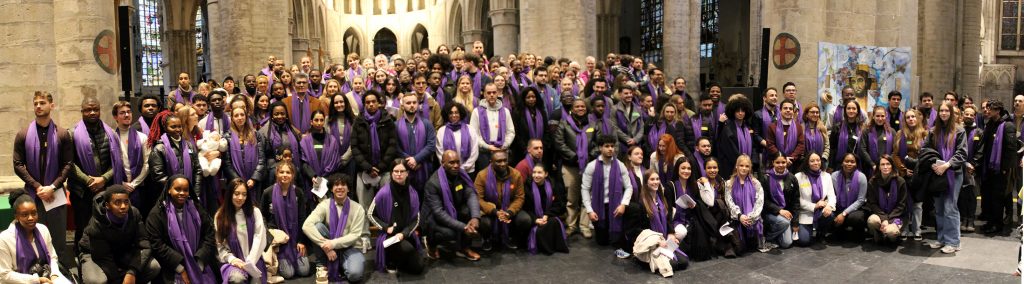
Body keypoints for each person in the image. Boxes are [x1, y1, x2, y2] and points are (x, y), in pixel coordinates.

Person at [68, 97, 125, 248]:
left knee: (106, 226)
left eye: (95, 109)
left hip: (105, 188)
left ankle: (104, 258)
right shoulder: (72, 134)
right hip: (81, 191)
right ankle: (82, 258)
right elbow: (69, 164)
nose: (92, 112)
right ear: (82, 112)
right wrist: (88, 180)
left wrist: (104, 179)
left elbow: (117, 162)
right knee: (83, 228)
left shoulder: (111, 133)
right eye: (88, 110)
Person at [79, 186, 161, 284]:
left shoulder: (134, 213)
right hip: (94, 254)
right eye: (117, 203)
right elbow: (103, 257)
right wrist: (117, 280)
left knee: (154, 267)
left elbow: (144, 245)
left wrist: (132, 272)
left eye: (126, 202)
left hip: (121, 251)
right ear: (107, 205)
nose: (123, 206)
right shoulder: (97, 223)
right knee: (96, 281)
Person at [146, 175, 217, 283]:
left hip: (199, 261)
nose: (182, 193)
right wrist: (181, 268)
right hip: (171, 266)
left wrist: (198, 264)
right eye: (177, 189)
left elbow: (209, 235)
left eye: (185, 190)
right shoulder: (157, 213)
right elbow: (156, 244)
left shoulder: (197, 208)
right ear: (169, 190)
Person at [301, 174, 367, 282]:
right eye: (336, 185)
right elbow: (306, 226)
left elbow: (355, 235)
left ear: (349, 188)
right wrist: (326, 246)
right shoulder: (324, 205)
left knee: (355, 275)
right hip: (328, 244)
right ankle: (322, 264)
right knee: (318, 227)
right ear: (331, 189)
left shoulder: (358, 209)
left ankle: (340, 263)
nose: (340, 187)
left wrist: (334, 244)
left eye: (343, 185)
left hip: (349, 247)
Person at [923, 101, 968, 253]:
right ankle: (942, 239)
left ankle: (953, 242)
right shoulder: (932, 131)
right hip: (937, 174)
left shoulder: (960, 131)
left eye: (946, 111)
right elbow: (926, 150)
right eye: (941, 110)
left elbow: (962, 153)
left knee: (950, 207)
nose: (943, 113)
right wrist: (933, 165)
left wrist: (947, 165)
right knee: (939, 208)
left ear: (951, 113)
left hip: (953, 174)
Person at [0, 190, 72, 284]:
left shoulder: (43, 229)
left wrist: (54, 274)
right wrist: (36, 280)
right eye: (25, 215)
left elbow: (52, 257)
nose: (31, 218)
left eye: (34, 213)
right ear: (16, 216)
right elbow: (5, 274)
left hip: (47, 275)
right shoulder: (4, 238)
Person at [368, 159, 426, 274]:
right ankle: (391, 260)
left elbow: (416, 218)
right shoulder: (383, 193)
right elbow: (370, 214)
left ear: (407, 173)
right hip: (390, 236)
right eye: (396, 171)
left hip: (405, 233)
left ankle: (400, 260)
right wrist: (385, 227)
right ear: (391, 173)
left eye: (402, 171)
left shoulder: (413, 193)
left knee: (418, 268)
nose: (399, 174)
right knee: (407, 249)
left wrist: (404, 233)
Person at [423, 150, 483, 260]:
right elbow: (438, 213)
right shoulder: (433, 183)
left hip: (454, 209)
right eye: (451, 163)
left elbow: (471, 194)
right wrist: (463, 227)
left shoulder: (462, 175)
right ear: (442, 163)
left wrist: (475, 217)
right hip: (433, 217)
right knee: (450, 233)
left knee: (469, 212)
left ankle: (463, 248)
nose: (456, 166)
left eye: (457, 162)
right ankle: (431, 244)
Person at [582, 135, 634, 258]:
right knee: (602, 242)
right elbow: (585, 189)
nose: (610, 149)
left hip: (615, 207)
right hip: (598, 207)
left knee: (616, 240)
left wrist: (623, 204)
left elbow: (629, 187)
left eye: (612, 146)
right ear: (600, 148)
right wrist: (589, 210)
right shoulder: (592, 166)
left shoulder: (620, 165)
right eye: (607, 146)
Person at [972, 100, 1020, 234]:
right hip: (989, 167)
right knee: (988, 196)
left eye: (990, 109)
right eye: (986, 109)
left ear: (997, 111)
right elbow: (984, 145)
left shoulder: (1008, 125)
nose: (987, 111)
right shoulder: (990, 124)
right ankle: (990, 221)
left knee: (998, 198)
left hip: (1000, 169)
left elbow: (1011, 149)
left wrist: (1005, 169)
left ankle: (997, 224)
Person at [630, 169, 689, 273]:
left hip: (664, 241)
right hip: (652, 243)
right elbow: (638, 230)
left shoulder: (661, 199)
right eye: (652, 179)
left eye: (657, 179)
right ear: (646, 182)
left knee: (683, 262)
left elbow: (668, 219)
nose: (655, 182)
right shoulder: (641, 204)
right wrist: (657, 241)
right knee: (674, 265)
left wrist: (671, 234)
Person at [554, 98, 595, 238]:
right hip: (570, 165)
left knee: (586, 198)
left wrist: (588, 156)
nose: (580, 109)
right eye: (577, 106)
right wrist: (575, 156)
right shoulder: (564, 124)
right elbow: (559, 143)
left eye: (583, 106)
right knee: (571, 198)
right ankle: (571, 225)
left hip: (589, 166)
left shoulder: (592, 124)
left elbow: (598, 142)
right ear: (572, 109)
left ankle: (584, 226)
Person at [214, 180, 267, 284]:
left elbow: (259, 238)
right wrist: (232, 259)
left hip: (253, 261)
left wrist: (250, 262)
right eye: (236, 194)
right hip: (232, 263)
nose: (240, 198)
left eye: (244, 194)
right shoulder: (220, 216)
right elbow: (219, 246)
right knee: (237, 279)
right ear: (229, 194)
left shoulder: (255, 212)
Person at [352, 90, 399, 207]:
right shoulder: (358, 122)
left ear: (379, 103)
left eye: (374, 101)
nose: (371, 104)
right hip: (364, 170)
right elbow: (354, 146)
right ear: (364, 104)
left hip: (384, 170)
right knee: (364, 207)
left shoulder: (388, 121)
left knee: (386, 204)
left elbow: (392, 145)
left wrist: (379, 167)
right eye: (368, 102)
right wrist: (368, 168)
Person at [474, 150, 527, 251]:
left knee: (524, 220)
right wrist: (494, 211)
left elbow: (519, 197)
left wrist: (510, 212)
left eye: (505, 160)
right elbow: (478, 199)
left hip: (509, 208)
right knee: (485, 223)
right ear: (491, 162)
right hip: (490, 210)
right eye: (498, 161)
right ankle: (487, 239)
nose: (502, 164)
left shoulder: (516, 175)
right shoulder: (482, 175)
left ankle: (510, 237)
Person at [148, 110, 204, 205]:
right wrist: (178, 191)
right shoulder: (159, 148)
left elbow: (198, 170)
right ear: (165, 128)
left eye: (179, 126)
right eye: (173, 127)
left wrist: (195, 193)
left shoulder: (189, 145)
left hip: (190, 194)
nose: (178, 129)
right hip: (169, 196)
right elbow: (158, 176)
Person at [892, 108, 926, 240]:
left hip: (919, 174)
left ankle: (917, 230)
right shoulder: (900, 134)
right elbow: (895, 154)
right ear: (905, 120)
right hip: (904, 174)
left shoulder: (924, 134)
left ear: (917, 118)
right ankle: (904, 229)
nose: (911, 119)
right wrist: (903, 169)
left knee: (918, 204)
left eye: (913, 117)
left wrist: (917, 170)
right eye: (908, 117)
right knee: (904, 202)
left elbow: (927, 155)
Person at [223, 106, 267, 203]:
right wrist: (238, 181)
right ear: (232, 118)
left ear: (246, 117)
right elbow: (227, 163)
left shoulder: (256, 135)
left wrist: (254, 178)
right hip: (235, 182)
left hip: (253, 181)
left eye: (242, 115)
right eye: (236, 115)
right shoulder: (227, 136)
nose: (239, 118)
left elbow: (261, 160)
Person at [111, 101, 151, 207]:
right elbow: (110, 164)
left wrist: (133, 184)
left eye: (129, 112)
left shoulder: (142, 137)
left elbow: (147, 164)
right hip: (118, 186)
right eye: (122, 113)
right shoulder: (111, 138)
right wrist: (122, 183)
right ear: (115, 116)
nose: (127, 115)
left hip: (138, 187)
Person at [523, 163, 569, 255]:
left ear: (546, 174)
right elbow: (526, 208)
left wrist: (547, 215)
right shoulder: (527, 186)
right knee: (540, 230)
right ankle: (546, 248)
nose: (536, 175)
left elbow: (559, 204)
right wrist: (535, 220)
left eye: (539, 173)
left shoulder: (553, 184)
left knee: (554, 222)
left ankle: (554, 246)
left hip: (548, 215)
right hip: (534, 217)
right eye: (534, 172)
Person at [723, 155, 766, 253]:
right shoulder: (729, 183)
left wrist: (751, 217)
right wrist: (740, 216)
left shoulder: (756, 183)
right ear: (736, 166)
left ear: (750, 168)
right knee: (740, 249)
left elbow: (759, 202)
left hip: (752, 220)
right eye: (741, 165)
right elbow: (729, 202)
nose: (744, 168)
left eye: (747, 166)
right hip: (737, 219)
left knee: (751, 246)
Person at [395, 92, 438, 190]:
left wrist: (417, 159)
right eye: (408, 103)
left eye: (414, 103)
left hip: (424, 167)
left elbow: (431, 145)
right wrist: (409, 161)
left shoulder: (427, 124)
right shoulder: (396, 125)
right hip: (404, 168)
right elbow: (396, 147)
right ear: (402, 106)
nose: (412, 105)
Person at [716, 96, 766, 178]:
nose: (740, 113)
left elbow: (753, 146)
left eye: (743, 111)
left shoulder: (748, 127)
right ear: (733, 112)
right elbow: (730, 149)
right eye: (737, 111)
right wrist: (743, 162)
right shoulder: (727, 128)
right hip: (731, 168)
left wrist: (751, 162)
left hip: (747, 167)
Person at [300, 110, 345, 201]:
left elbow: (335, 162)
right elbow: (304, 162)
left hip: (328, 180)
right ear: (311, 122)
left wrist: (321, 181)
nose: (319, 123)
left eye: (321, 120)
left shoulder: (332, 140)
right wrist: (314, 177)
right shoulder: (304, 141)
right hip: (311, 180)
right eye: (316, 120)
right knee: (313, 209)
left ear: (324, 121)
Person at [793, 153, 836, 246]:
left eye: (818, 160)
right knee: (804, 241)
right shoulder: (798, 176)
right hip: (805, 212)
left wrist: (829, 206)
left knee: (830, 214)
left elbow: (832, 195)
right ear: (807, 162)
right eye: (812, 161)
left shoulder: (827, 176)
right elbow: (797, 200)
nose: (816, 163)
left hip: (821, 210)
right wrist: (814, 206)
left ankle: (821, 234)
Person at [470, 83, 515, 170]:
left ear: (497, 93)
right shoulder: (476, 112)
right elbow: (474, 134)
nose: (491, 95)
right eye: (489, 93)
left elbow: (511, 132)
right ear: (484, 94)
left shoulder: (505, 111)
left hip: (502, 151)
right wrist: (487, 146)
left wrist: (504, 145)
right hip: (484, 154)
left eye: (494, 92)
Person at [759, 153, 799, 250]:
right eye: (777, 162)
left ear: (786, 162)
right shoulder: (765, 178)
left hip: (787, 215)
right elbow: (764, 200)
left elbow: (796, 202)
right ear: (773, 163)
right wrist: (779, 210)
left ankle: (774, 236)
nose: (781, 165)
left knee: (787, 243)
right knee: (784, 222)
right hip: (770, 213)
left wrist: (795, 223)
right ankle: (767, 237)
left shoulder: (792, 178)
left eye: (783, 162)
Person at [865, 155, 908, 244]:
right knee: (872, 221)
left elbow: (901, 205)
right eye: (882, 164)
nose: (885, 167)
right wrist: (884, 219)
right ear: (879, 167)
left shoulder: (900, 181)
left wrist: (887, 220)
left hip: (896, 216)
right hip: (879, 214)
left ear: (892, 165)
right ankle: (879, 235)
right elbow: (872, 204)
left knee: (891, 232)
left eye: (888, 164)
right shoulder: (872, 182)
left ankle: (891, 237)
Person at [828, 153, 869, 241]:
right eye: (846, 161)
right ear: (842, 163)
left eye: (852, 162)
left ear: (856, 164)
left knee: (855, 218)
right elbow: (831, 195)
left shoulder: (861, 177)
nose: (849, 164)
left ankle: (857, 231)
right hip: (838, 207)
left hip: (856, 209)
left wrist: (844, 213)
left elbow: (861, 200)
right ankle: (839, 229)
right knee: (828, 215)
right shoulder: (834, 176)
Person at [258, 101, 301, 186]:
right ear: (272, 115)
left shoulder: (294, 131)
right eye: (276, 114)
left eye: (282, 113)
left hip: (291, 171)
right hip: (271, 174)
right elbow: (261, 156)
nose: (280, 116)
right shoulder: (263, 132)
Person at [437, 103, 479, 174]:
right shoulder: (441, 131)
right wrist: (451, 167)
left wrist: (463, 167)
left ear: (461, 114)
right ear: (447, 115)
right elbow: (440, 153)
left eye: (456, 112)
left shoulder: (470, 129)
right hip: (449, 171)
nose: (454, 115)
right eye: (451, 113)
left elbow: (474, 152)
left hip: (468, 170)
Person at [765, 99, 806, 169]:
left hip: (793, 163)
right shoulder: (772, 126)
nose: (788, 110)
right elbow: (770, 145)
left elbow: (801, 145)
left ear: (793, 112)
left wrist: (791, 158)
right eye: (785, 108)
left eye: (790, 109)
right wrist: (782, 158)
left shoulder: (798, 127)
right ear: (780, 111)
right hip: (776, 163)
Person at [960, 105, 982, 232]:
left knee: (972, 195)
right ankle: (963, 219)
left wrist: (973, 164)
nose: (968, 116)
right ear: (963, 114)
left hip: (973, 169)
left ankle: (971, 219)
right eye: (966, 114)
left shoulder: (979, 132)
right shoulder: (958, 130)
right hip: (960, 167)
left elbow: (981, 151)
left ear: (975, 116)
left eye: (971, 114)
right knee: (962, 195)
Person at [829, 99, 865, 171]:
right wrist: (830, 166)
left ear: (857, 111)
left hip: (858, 165)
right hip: (840, 165)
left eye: (854, 108)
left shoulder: (863, 128)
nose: (851, 111)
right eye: (848, 108)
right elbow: (832, 148)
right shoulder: (837, 127)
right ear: (845, 110)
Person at [858, 106, 896, 174]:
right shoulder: (866, 131)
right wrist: (872, 164)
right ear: (873, 117)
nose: (880, 118)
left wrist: (887, 163)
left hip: (888, 167)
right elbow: (862, 149)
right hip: (870, 168)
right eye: (877, 116)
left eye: (882, 116)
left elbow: (895, 149)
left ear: (886, 116)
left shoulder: (892, 131)